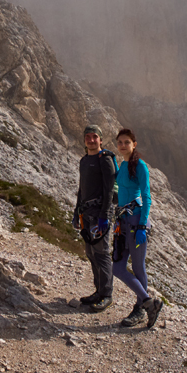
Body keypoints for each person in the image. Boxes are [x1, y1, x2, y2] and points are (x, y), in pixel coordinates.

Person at [111, 128, 162, 328]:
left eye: (126, 142)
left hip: (136, 222)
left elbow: (147, 196)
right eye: (120, 142)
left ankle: (141, 307)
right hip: (123, 222)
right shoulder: (123, 165)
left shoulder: (140, 166)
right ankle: (149, 302)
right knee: (118, 267)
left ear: (134, 144)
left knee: (138, 266)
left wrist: (142, 225)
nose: (123, 145)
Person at [72, 124, 117, 312]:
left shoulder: (104, 159)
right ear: (84, 140)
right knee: (91, 253)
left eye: (94, 137)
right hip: (86, 214)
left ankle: (106, 295)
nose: (91, 140)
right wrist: (76, 212)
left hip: (99, 214)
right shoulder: (84, 161)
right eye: (88, 137)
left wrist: (104, 216)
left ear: (100, 139)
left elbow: (108, 190)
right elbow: (82, 189)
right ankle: (98, 291)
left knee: (102, 253)